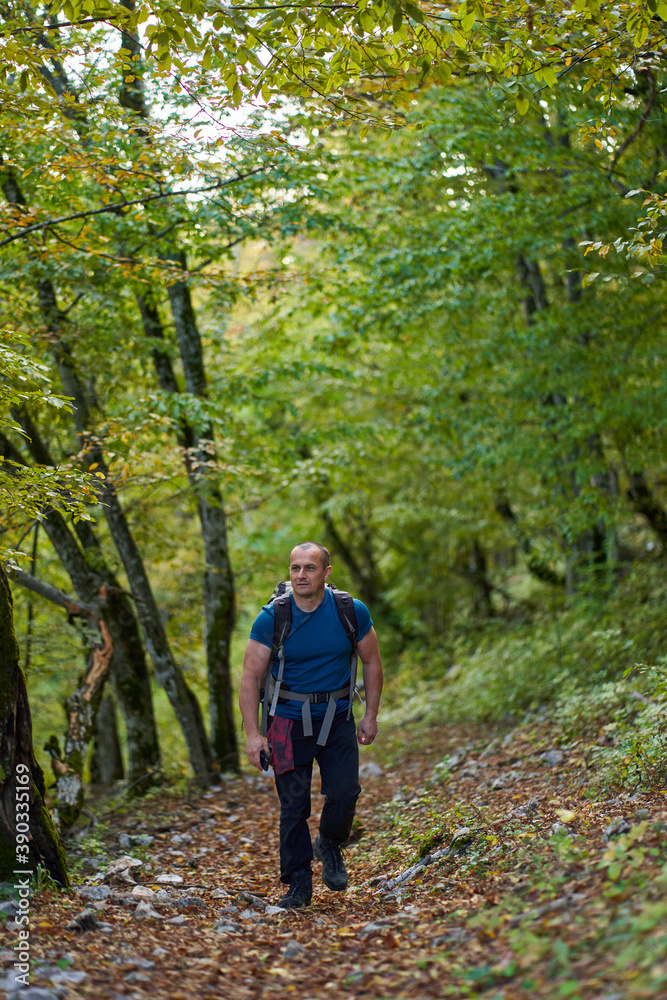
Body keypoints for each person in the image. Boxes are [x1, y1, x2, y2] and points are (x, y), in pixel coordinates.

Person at [239, 541, 383, 909]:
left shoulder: (351, 611)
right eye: (295, 568)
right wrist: (253, 735)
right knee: (293, 806)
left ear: (326, 572)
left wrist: (370, 714)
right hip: (284, 723)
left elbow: (371, 661)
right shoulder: (272, 617)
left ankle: (330, 843)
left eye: (309, 568)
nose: (301, 575)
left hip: (336, 718)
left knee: (346, 791)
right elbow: (250, 677)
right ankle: (299, 882)